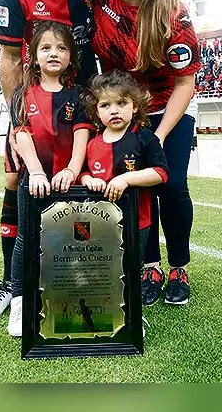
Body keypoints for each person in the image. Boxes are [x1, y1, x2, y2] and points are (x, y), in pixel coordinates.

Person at [1, 0, 203, 307]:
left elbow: (184, 84)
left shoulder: (173, 14)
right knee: (126, 182)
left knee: (171, 183)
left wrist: (156, 138)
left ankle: (178, 267)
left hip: (166, 103)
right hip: (118, 105)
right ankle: (148, 265)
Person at [0, 0, 100, 323]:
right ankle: (11, 284)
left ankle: (87, 280)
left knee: (90, 180)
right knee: (18, 179)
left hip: (87, 102)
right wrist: (19, 118)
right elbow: (10, 59)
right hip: (36, 100)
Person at [6, 21, 92, 337]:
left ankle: (71, 301)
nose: (53, 53)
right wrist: (37, 172)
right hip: (36, 181)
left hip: (70, 183)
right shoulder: (23, 94)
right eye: (45, 48)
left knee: (73, 241)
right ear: (34, 56)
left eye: (61, 48)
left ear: (70, 57)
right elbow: (22, 135)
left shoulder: (80, 97)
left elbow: (82, 135)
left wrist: (71, 170)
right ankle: (18, 304)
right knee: (26, 241)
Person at [79, 70, 169, 299]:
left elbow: (160, 173)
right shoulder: (92, 143)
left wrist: (125, 179)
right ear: (96, 112)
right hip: (100, 222)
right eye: (106, 105)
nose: (114, 110)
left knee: (130, 266)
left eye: (121, 103)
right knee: (104, 263)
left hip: (137, 221)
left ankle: (129, 313)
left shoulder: (144, 137)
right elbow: (84, 172)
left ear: (135, 106)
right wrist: (89, 180)